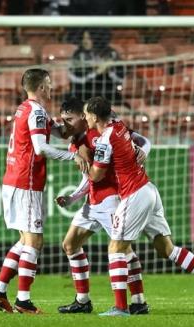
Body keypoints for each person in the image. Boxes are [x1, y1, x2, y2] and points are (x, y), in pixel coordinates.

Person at [85, 96, 194, 316]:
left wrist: (82, 159)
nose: (86, 118)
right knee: (166, 249)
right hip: (149, 190)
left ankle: (121, 307)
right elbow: (140, 142)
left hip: (134, 194)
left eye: (87, 114)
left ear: (94, 117)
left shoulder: (105, 138)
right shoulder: (120, 126)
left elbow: (96, 175)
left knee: (116, 248)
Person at [0, 68, 88, 314]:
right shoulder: (36, 112)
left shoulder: (26, 109)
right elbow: (41, 148)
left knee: (24, 240)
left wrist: (77, 128)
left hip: (14, 179)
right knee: (34, 240)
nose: (51, 88)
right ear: (42, 87)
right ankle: (23, 301)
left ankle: (0, 292)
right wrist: (72, 155)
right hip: (26, 182)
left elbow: (60, 131)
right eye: (49, 84)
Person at [54, 97, 152, 315]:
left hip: (112, 199)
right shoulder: (77, 140)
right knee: (70, 244)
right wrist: (73, 198)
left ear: (84, 116)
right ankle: (82, 301)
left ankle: (138, 301)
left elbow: (141, 141)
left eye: (70, 119)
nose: (66, 125)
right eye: (63, 121)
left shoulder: (102, 133)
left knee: (124, 250)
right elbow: (88, 178)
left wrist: (146, 150)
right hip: (93, 202)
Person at [69, 29, 123, 106]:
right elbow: (75, 78)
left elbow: (120, 78)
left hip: (108, 94)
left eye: (88, 38)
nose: (85, 41)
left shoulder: (111, 53)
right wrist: (97, 71)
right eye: (83, 38)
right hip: (83, 94)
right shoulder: (78, 54)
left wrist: (110, 69)